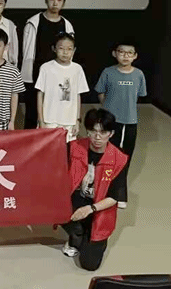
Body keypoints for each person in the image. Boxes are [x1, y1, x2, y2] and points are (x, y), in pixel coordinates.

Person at [61, 108, 127, 271]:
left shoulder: (119, 159)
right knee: (55, 206)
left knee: (89, 264)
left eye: (103, 132)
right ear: (87, 131)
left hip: (98, 208)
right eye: (93, 131)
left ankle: (85, 235)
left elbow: (114, 197)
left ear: (111, 134)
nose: (97, 137)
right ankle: (76, 234)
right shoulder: (74, 147)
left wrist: (90, 209)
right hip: (77, 199)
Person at [94, 38, 147, 208]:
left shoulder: (139, 74)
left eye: (129, 53)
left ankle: (119, 193)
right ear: (114, 53)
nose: (125, 56)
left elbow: (139, 95)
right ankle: (102, 190)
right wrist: (108, 109)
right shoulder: (108, 72)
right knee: (107, 155)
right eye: (122, 52)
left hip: (130, 121)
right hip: (110, 121)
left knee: (125, 156)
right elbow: (100, 92)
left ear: (135, 56)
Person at [21, 0, 75, 129]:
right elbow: (26, 50)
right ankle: (31, 141)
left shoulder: (66, 25)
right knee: (32, 113)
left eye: (59, 0)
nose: (55, 3)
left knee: (54, 112)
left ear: (64, 3)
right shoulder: (34, 22)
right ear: (46, 1)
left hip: (58, 75)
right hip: (35, 74)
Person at [36, 32, 89, 143]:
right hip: (49, 120)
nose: (65, 52)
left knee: (67, 150)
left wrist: (77, 120)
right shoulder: (46, 68)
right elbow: (40, 94)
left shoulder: (77, 69)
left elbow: (78, 95)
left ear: (74, 50)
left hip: (69, 121)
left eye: (69, 49)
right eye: (61, 48)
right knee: (48, 149)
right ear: (54, 49)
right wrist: (41, 120)